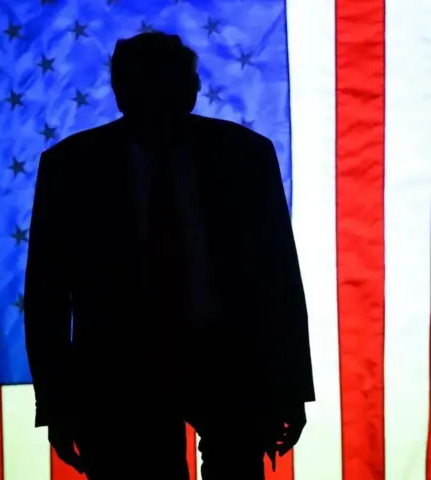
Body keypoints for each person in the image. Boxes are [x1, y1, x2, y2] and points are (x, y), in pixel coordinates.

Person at [24, 31, 315, 480]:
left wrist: (290, 386)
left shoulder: (246, 157)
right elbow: (46, 295)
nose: (159, 101)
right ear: (122, 93)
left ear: (192, 91)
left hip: (224, 363)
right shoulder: (71, 168)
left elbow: (278, 278)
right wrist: (58, 402)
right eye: (149, 87)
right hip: (122, 374)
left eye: (169, 87)